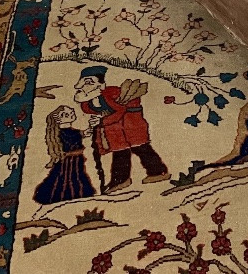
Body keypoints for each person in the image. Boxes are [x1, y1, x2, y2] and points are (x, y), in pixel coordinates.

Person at [74, 65, 168, 193]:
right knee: (120, 153)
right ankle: (121, 180)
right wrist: (97, 121)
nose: (86, 86)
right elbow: (97, 113)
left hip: (131, 124)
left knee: (141, 148)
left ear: (100, 84)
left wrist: (102, 120)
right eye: (84, 83)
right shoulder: (86, 102)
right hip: (115, 129)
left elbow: (121, 109)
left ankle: (158, 172)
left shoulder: (111, 93)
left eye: (90, 82)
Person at [32, 105, 96, 204]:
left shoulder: (73, 131)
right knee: (65, 177)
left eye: (72, 112)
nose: (72, 114)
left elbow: (82, 134)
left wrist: (91, 126)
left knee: (77, 176)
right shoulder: (60, 134)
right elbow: (74, 138)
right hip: (67, 161)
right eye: (68, 114)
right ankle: (63, 197)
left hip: (77, 159)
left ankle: (77, 194)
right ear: (59, 119)